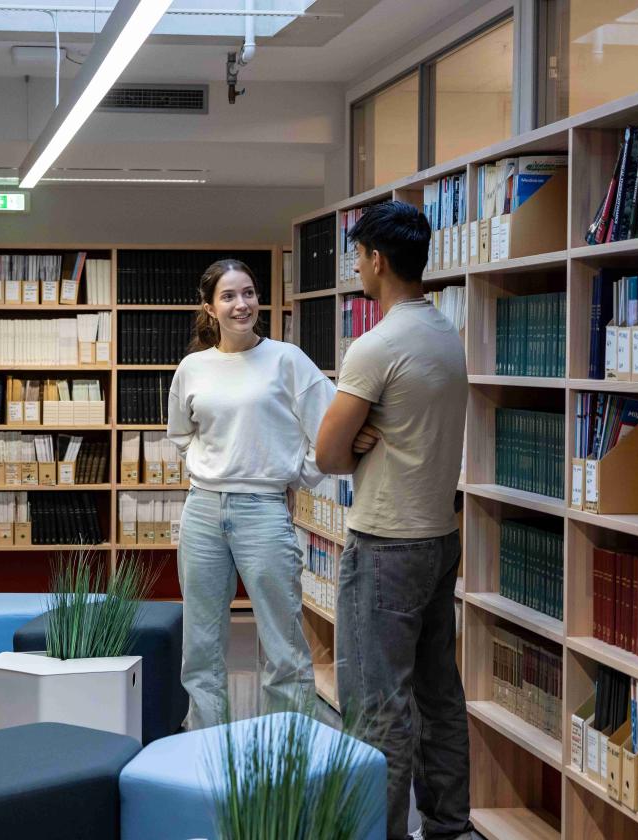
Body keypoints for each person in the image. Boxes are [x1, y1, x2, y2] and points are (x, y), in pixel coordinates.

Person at [314, 200, 471, 840]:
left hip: (386, 545)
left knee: (377, 704)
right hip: (440, 536)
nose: (355, 266)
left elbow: (326, 454)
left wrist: (357, 439)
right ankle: (449, 825)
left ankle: (379, 831)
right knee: (438, 695)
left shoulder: (375, 346)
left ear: (377, 260)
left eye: (356, 256)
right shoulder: (445, 333)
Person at [166, 259, 336, 729]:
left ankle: (286, 750)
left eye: (248, 293)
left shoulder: (287, 360)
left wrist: (295, 476)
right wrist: (211, 470)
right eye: (228, 296)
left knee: (283, 644)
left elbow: (329, 434)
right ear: (209, 307)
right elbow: (181, 435)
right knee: (200, 645)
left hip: (262, 510)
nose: (241, 304)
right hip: (202, 510)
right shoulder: (194, 367)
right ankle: (206, 743)